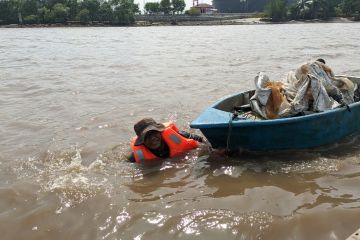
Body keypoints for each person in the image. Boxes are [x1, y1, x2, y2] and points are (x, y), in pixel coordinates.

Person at [128, 118, 203, 163]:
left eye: (154, 132)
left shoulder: (178, 136)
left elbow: (202, 141)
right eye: (147, 136)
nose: (152, 138)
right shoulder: (136, 155)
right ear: (142, 141)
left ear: (160, 131)